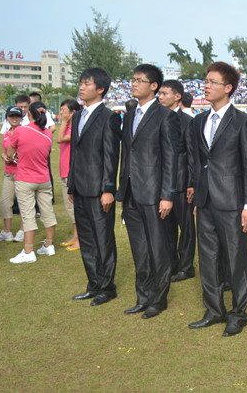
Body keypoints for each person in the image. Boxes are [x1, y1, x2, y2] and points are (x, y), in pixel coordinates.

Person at [186, 62, 247, 337]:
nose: (206, 86)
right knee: (207, 257)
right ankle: (214, 310)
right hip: (205, 200)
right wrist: (197, 191)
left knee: (236, 258)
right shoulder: (198, 121)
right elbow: (198, 161)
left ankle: (238, 312)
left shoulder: (243, 121)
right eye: (205, 81)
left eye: (212, 82)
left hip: (232, 201)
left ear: (228, 88)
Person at [117, 64, 178, 319]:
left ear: (153, 86)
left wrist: (167, 195)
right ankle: (142, 296)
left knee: (157, 249)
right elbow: (127, 154)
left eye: (140, 80)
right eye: (133, 79)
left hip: (154, 193)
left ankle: (158, 299)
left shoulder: (165, 116)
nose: (134, 84)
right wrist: (121, 189)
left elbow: (171, 158)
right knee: (139, 249)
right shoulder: (130, 115)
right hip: (131, 191)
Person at [68, 68, 122, 306]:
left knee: (103, 239)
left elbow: (111, 155)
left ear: (100, 89)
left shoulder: (109, 117)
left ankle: (107, 288)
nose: (81, 87)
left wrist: (108, 189)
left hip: (99, 189)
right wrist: (71, 184)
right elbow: (74, 153)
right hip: (80, 187)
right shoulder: (78, 116)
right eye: (81, 83)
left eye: (87, 83)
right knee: (87, 240)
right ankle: (93, 284)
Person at [6, 102, 57, 264]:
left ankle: (28, 251)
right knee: (48, 212)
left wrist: (15, 156)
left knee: (28, 215)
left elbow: (9, 152)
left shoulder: (20, 131)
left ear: (29, 115)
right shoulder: (48, 134)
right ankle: (49, 245)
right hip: (44, 179)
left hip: (25, 179)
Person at [158, 79, 196, 282]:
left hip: (181, 183)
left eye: (165, 93)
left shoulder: (187, 121)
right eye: (160, 93)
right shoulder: (156, 118)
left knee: (186, 227)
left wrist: (191, 182)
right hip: (161, 183)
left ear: (177, 96)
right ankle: (172, 263)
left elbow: (192, 155)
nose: (160, 97)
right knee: (166, 227)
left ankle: (186, 266)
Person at [0, 107, 24, 243]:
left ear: (21, 118)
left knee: (23, 203)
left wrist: (17, 157)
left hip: (22, 173)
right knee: (5, 203)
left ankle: (23, 230)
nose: (14, 118)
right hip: (9, 173)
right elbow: (3, 151)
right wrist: (4, 156)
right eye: (11, 116)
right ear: (7, 118)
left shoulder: (24, 131)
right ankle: (7, 232)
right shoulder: (6, 133)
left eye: (17, 116)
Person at [58, 99, 82, 251]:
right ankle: (75, 236)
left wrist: (64, 121)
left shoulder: (75, 128)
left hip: (70, 172)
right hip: (64, 171)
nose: (61, 113)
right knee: (70, 208)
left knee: (74, 207)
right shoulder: (68, 126)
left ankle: (80, 239)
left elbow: (60, 139)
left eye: (64, 110)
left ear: (73, 112)